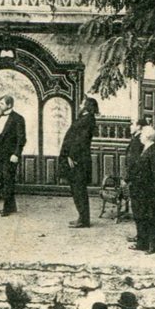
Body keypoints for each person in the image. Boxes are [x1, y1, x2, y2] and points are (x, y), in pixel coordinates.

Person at [59, 96, 99, 228]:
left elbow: (81, 141)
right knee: (76, 189)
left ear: (87, 106)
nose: (80, 105)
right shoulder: (85, 118)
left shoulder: (87, 120)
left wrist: (71, 156)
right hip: (78, 159)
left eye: (82, 103)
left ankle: (83, 220)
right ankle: (82, 217)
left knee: (79, 189)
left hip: (78, 160)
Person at [129, 125, 155, 254]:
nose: (140, 136)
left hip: (149, 192)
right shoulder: (146, 149)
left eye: (142, 134)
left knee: (152, 218)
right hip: (140, 190)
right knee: (141, 217)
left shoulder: (154, 152)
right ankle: (142, 243)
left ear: (147, 137)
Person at [124, 117, 147, 240]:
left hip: (135, 180)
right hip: (135, 178)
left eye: (132, 124)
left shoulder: (138, 141)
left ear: (139, 127)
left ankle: (141, 237)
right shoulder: (137, 139)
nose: (130, 126)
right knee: (137, 209)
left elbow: (134, 163)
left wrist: (127, 179)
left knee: (138, 209)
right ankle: (140, 235)